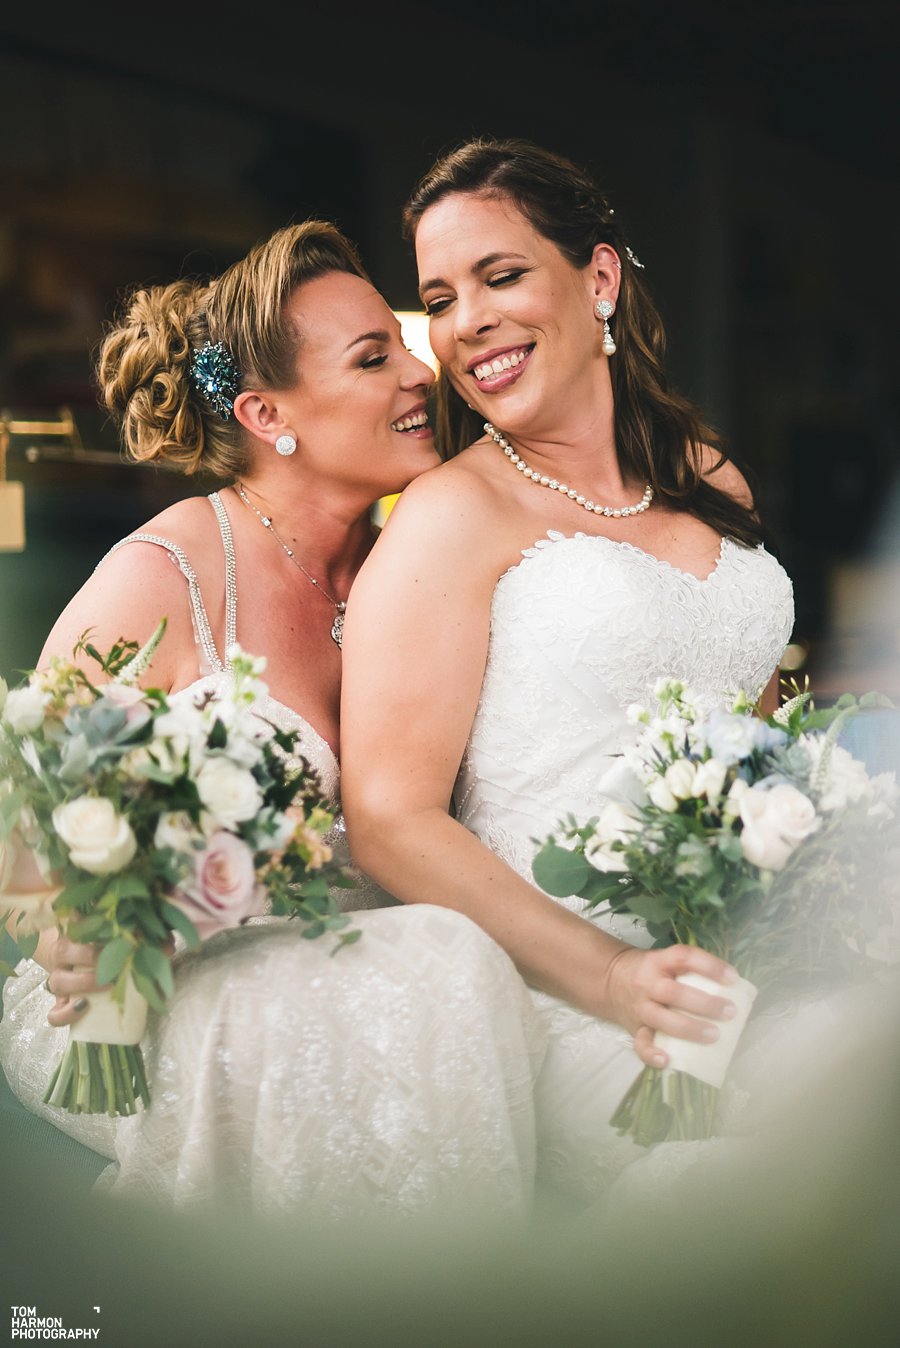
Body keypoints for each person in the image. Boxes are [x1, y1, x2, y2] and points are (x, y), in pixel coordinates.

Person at [0, 220, 546, 1220]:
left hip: (370, 958)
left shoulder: (415, 569)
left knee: (441, 965)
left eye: (405, 346)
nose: (419, 376)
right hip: (140, 989)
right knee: (411, 974)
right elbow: (22, 838)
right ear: (264, 411)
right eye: (373, 356)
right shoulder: (157, 578)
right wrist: (71, 924)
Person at [339, 138, 795, 1207]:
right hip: (569, 999)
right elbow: (390, 815)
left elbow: (768, 740)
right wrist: (614, 977)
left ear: (598, 277)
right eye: (441, 298)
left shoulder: (708, 471)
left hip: (751, 965)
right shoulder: (452, 514)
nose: (468, 324)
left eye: (501, 277)